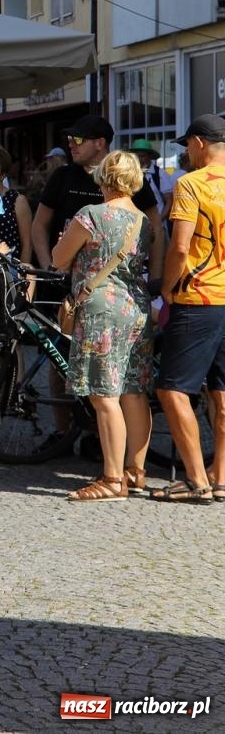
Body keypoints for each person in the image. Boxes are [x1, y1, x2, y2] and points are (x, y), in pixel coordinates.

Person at [50, 150, 153, 502]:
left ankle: (111, 478)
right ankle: (135, 472)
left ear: (103, 177)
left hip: (101, 311)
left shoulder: (91, 215)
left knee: (103, 394)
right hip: (136, 309)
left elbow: (59, 258)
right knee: (133, 392)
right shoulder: (144, 220)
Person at [155, 115, 225, 501]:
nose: (186, 152)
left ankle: (196, 481)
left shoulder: (191, 183)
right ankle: (220, 477)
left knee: (172, 390)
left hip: (198, 296)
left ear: (199, 142)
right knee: (222, 390)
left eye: (187, 145)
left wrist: (167, 288)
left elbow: (180, 246)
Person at [30, 116, 163, 295]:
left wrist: (154, 279)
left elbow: (156, 228)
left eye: (78, 139)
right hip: (62, 283)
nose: (71, 144)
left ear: (100, 143)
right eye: (70, 139)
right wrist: (49, 270)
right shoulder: (62, 176)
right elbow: (39, 225)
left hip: (118, 287)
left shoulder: (127, 180)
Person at [129, 139, 169, 219]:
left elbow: (169, 201)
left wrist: (159, 220)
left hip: (156, 225)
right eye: (136, 156)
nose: (139, 160)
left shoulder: (160, 174)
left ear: (150, 157)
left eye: (142, 156)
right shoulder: (128, 175)